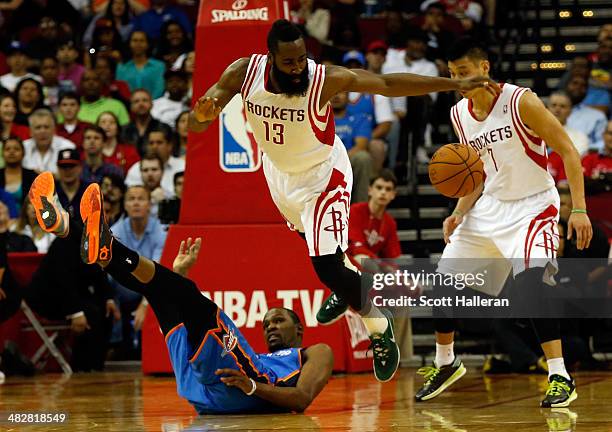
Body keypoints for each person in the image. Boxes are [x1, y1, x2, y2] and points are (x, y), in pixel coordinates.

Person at [188, 19, 499, 382]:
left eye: (302, 58)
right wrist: (200, 116)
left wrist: (452, 84)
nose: (298, 68)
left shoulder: (323, 79)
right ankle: (347, 282)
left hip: (325, 176)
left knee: (325, 266)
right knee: (330, 260)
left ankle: (378, 326)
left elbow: (386, 85)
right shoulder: (244, 72)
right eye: (289, 62)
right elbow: (196, 122)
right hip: (279, 177)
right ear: (271, 58)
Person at [28, 172, 333, 413]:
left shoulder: (313, 353)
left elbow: (302, 399)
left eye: (278, 320)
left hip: (237, 386)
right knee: (162, 291)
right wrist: (180, 274)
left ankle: (89, 236)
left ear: (300, 328)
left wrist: (251, 387)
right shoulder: (262, 357)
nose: (270, 327)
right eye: (267, 323)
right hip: (201, 389)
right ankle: (69, 228)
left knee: (189, 296)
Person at [413, 37, 592, 408]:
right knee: (441, 283)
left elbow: (568, 150)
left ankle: (559, 374)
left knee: (531, 286)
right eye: (452, 74)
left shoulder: (520, 100)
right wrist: (460, 211)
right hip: (490, 208)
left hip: (533, 206)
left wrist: (578, 209)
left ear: (483, 68)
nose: (458, 80)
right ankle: (446, 363)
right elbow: (476, 172)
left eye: (463, 72)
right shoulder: (459, 113)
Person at [23, 109, 76, 175]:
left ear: (54, 130)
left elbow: (71, 175)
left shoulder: (67, 147)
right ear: (30, 131)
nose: (42, 131)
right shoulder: (23, 147)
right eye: (38, 127)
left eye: (46, 127)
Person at [0, 136, 38, 212]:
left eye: (16, 149)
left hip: (27, 221)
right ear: (2, 153)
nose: (12, 152)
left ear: (23, 153)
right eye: (7, 149)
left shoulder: (32, 176)